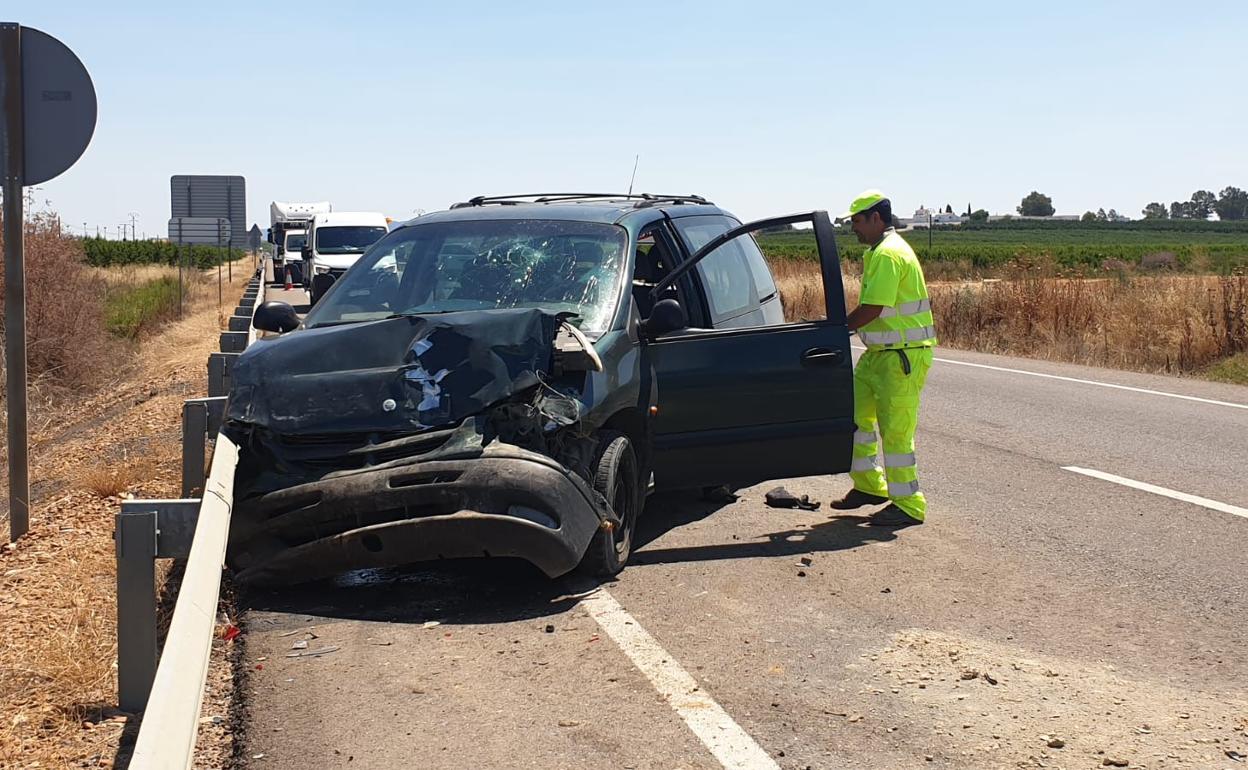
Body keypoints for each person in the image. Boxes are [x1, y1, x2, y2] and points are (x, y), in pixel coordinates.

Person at [832, 190, 937, 527]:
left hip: (901, 358)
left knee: (896, 434)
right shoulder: (879, 252)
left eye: (858, 221)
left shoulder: (889, 254)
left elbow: (874, 307)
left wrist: (836, 330)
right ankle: (869, 487)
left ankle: (908, 504)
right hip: (879, 355)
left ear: (877, 218)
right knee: (853, 417)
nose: (854, 229)